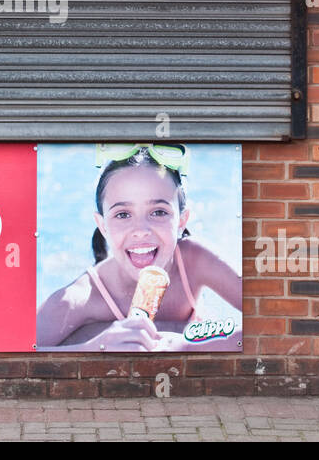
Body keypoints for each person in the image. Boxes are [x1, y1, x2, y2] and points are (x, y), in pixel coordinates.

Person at [36, 144, 242, 351]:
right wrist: (96, 347)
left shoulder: (195, 261)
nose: (141, 230)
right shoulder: (77, 299)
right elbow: (10, 350)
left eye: (159, 212)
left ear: (181, 221)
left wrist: (185, 346)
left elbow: (272, 317)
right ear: (103, 226)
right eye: (123, 214)